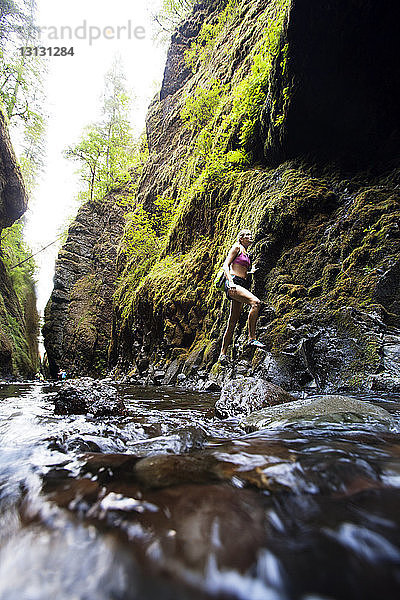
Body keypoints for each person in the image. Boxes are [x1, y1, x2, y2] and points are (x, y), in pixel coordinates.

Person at [219, 228, 265, 361]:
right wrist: (230, 281)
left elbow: (242, 269)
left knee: (232, 322)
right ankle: (252, 338)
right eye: (248, 235)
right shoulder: (236, 247)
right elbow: (226, 265)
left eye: (251, 234)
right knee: (256, 303)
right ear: (241, 238)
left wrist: (251, 272)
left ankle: (223, 354)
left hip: (241, 284)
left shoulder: (246, 253)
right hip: (234, 284)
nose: (251, 236)